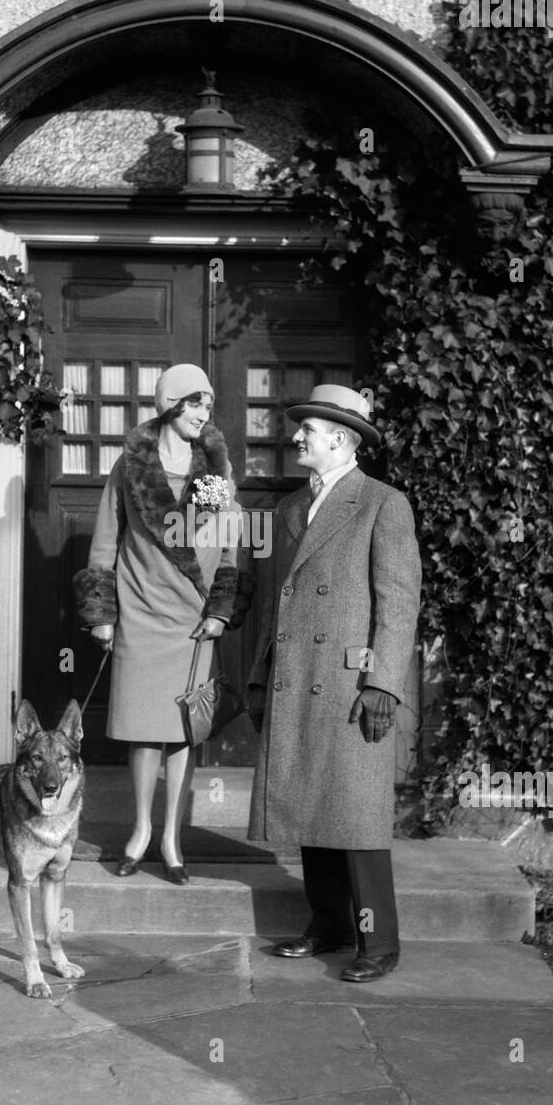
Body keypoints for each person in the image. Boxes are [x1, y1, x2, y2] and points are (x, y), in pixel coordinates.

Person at [247, 383, 421, 981]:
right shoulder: (292, 509)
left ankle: (378, 944)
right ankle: (328, 926)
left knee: (358, 817)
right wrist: (258, 672)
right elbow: (279, 601)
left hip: (352, 685)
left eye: (308, 431)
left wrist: (384, 684)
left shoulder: (382, 503)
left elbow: (398, 602)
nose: (296, 437)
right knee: (310, 810)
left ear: (341, 440)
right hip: (297, 678)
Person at [74, 363, 253, 883]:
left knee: (181, 731)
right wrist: (102, 617)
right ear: (172, 404)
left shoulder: (215, 468)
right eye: (195, 402)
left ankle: (172, 838)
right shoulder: (130, 467)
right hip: (140, 611)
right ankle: (140, 831)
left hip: (192, 616)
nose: (204, 413)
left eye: (208, 404)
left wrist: (221, 610)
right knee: (142, 730)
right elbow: (105, 541)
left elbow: (227, 544)